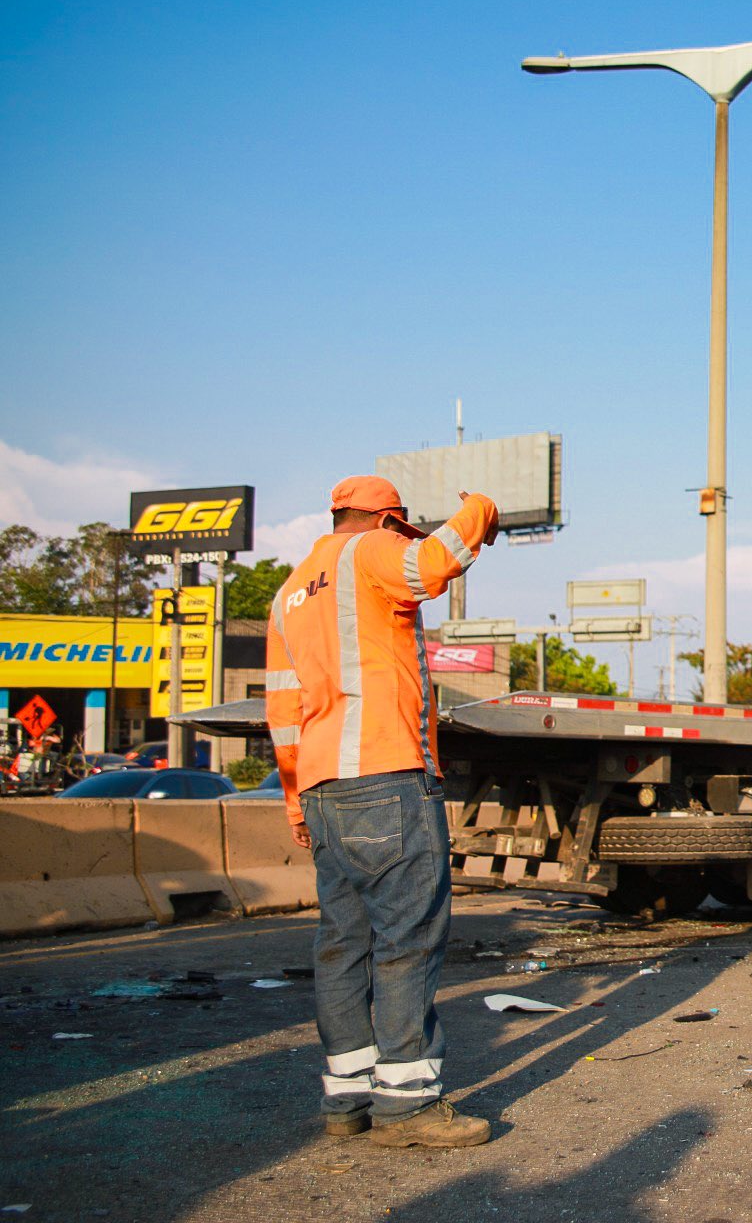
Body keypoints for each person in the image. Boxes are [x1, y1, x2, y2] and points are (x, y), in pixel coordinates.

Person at [266, 476, 499, 1148]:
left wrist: (292, 798)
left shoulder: (290, 591)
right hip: (385, 776)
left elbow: (282, 712)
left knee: (343, 943)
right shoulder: (371, 551)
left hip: (321, 788)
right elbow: (433, 565)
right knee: (408, 937)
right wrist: (481, 508)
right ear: (388, 519)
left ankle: (347, 1099)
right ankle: (407, 1104)